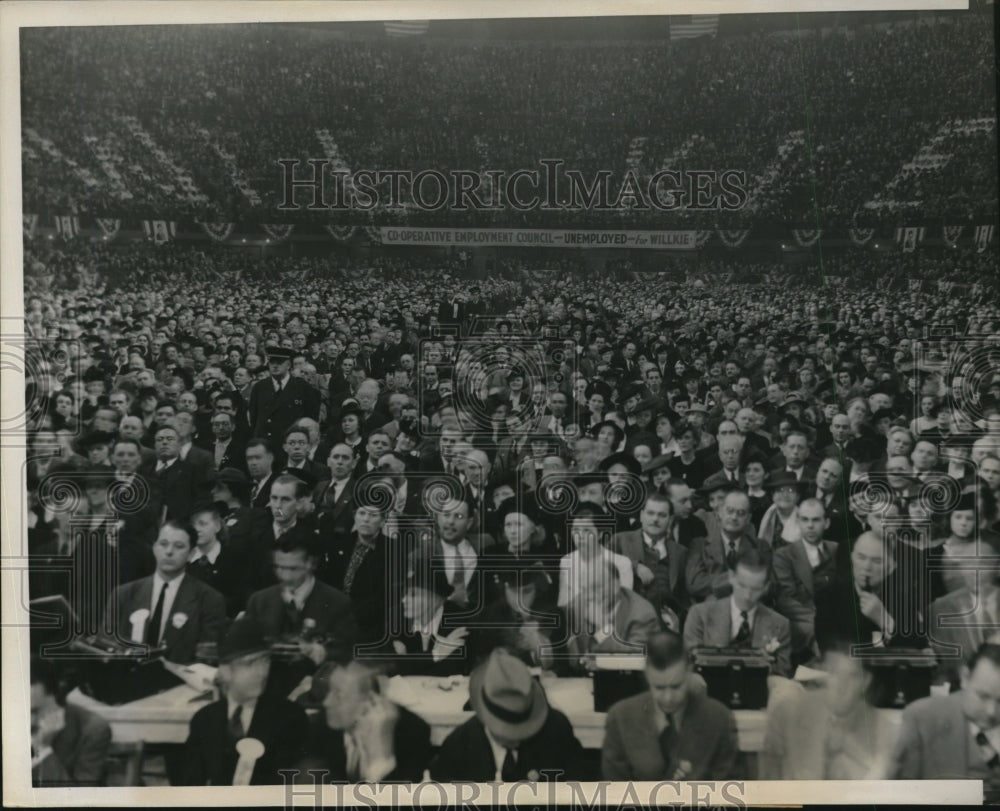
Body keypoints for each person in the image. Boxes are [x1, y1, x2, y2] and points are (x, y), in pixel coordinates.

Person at [180, 618, 309, 785]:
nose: (261, 672)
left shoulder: (289, 717)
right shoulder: (204, 720)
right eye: (249, 664)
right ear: (225, 672)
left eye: (265, 661)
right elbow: (191, 788)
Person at [429, 648, 586, 782]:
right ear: (485, 716)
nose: (516, 737)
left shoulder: (557, 730)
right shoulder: (458, 748)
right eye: (505, 730)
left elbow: (579, 792)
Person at [601, 631, 740, 780]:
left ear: (689, 671)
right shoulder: (621, 718)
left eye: (676, 687)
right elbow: (613, 794)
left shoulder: (719, 720)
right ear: (647, 674)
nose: (668, 698)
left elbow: (731, 794)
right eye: (659, 688)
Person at [760, 641, 897, 779]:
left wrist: (850, 748)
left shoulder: (882, 731)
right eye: (834, 673)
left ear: (866, 681)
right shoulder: (788, 714)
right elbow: (770, 786)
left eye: (852, 676)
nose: (842, 686)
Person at [242, 533, 357, 695]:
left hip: (316, 695)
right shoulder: (259, 600)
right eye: (278, 567)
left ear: (311, 563)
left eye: (292, 568)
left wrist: (319, 652)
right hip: (264, 693)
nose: (284, 575)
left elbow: (347, 653)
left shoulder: (338, 603)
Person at [102, 520, 226, 664]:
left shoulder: (209, 600)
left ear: (191, 554)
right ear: (154, 548)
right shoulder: (123, 595)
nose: (169, 551)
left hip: (180, 683)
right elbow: (105, 649)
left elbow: (206, 664)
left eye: (179, 546)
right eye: (163, 544)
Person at [889, 642, 1000, 799]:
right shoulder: (922, 718)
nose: (991, 711)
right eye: (983, 696)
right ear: (965, 678)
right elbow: (899, 796)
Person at [296, 660, 432, 783]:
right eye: (330, 691)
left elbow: (402, 802)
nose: (326, 702)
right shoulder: (325, 722)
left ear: (370, 701)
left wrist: (381, 759)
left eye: (339, 694)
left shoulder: (413, 733)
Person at [684, 548, 792, 677]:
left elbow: (782, 671)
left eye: (756, 589)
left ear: (766, 587)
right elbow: (689, 664)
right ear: (731, 577)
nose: (747, 595)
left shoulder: (780, 624)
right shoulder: (700, 614)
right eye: (742, 585)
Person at [772, 498, 841, 662]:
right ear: (798, 522)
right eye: (805, 520)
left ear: (827, 523)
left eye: (816, 520)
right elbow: (786, 599)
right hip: (800, 621)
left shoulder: (837, 550)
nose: (810, 526)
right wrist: (821, 621)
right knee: (815, 632)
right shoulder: (784, 555)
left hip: (834, 618)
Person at [612, 491, 689, 631]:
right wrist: (633, 566)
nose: (655, 519)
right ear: (641, 516)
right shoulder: (620, 540)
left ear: (670, 520)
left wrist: (679, 620)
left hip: (665, 629)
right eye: (650, 513)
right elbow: (599, 563)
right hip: (627, 624)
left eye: (662, 515)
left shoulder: (680, 552)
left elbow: (684, 596)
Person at [31, 657, 111, 787]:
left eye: (35, 711)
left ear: (57, 697)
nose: (28, 721)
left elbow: (80, 800)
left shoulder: (93, 730)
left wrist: (43, 749)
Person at [685, 490, 771, 602]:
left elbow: (767, 585)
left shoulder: (760, 547)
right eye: (729, 511)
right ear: (719, 512)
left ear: (748, 518)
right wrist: (735, 579)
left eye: (741, 513)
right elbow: (694, 585)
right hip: (711, 612)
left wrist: (716, 583)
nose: (734, 517)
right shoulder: (699, 545)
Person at [248, 345, 320, 444]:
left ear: (289, 365)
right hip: (264, 443)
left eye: (280, 362)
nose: (275, 366)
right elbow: (254, 418)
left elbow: (311, 418)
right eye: (272, 362)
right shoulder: (259, 387)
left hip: (291, 444)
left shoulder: (303, 388)